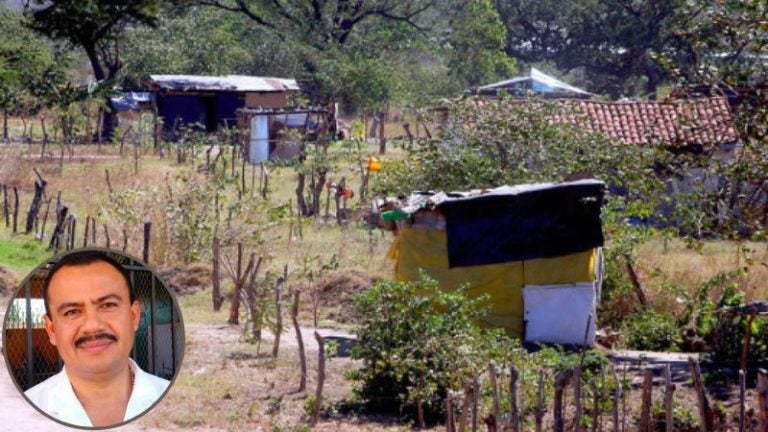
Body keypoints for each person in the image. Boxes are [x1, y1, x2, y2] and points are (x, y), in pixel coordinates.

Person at [24, 250, 170, 428]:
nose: (93, 325)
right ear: (52, 330)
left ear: (134, 316)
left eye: (108, 305)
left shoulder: (175, 399)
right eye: (72, 312)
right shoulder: (18, 415)